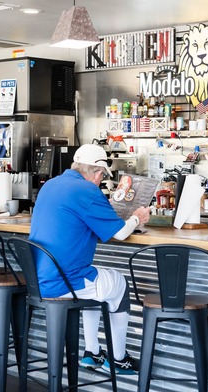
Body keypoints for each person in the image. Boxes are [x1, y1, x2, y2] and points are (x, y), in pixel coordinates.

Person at [28, 144, 151, 375]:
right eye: (102, 176)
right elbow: (121, 233)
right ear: (97, 173)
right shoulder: (87, 191)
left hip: (37, 280)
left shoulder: (50, 185)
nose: (101, 181)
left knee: (98, 284)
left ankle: (93, 352)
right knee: (119, 283)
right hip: (64, 282)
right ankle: (119, 358)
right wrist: (136, 217)